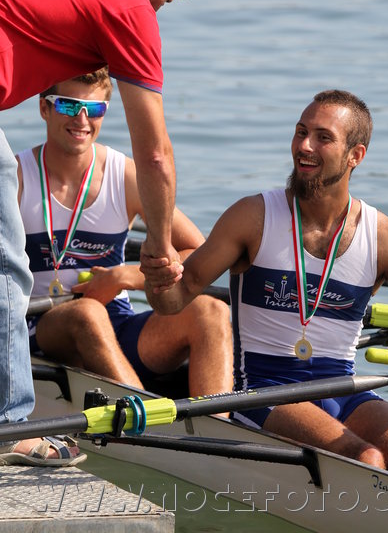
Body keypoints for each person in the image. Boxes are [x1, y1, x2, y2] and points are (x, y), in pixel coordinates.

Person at [144, 89, 388, 492]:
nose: (304, 146)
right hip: (263, 391)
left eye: (322, 137)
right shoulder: (253, 217)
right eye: (300, 132)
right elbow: (173, 299)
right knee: (365, 458)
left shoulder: (386, 239)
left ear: (356, 155)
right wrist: (158, 278)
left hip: (342, 387)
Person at [0, 0, 197, 464]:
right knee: (6, 266)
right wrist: (157, 246)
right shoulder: (129, 2)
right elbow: (154, 149)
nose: (168, 4)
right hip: (66, 318)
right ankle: (13, 429)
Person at [17, 69, 233, 398]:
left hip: (116, 320)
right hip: (40, 325)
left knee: (212, 311)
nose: (83, 121)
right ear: (44, 107)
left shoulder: (125, 175)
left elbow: (200, 254)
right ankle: (147, 428)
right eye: (69, 106)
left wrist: (125, 277)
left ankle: (215, 432)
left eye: (95, 109)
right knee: (87, 314)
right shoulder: (16, 178)